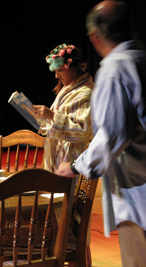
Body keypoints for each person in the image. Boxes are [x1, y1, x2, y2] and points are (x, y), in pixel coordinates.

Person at [56, 1, 146, 267]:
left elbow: (113, 135)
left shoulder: (114, 69)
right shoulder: (141, 59)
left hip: (138, 189)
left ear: (95, 36)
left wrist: (75, 166)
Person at [31, 44, 94, 266]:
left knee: (68, 217)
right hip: (59, 158)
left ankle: (73, 258)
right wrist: (42, 119)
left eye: (59, 71)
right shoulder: (66, 91)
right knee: (58, 216)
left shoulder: (85, 93)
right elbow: (58, 122)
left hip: (72, 160)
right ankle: (59, 254)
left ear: (72, 66)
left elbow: (83, 129)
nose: (57, 75)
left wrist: (51, 116)